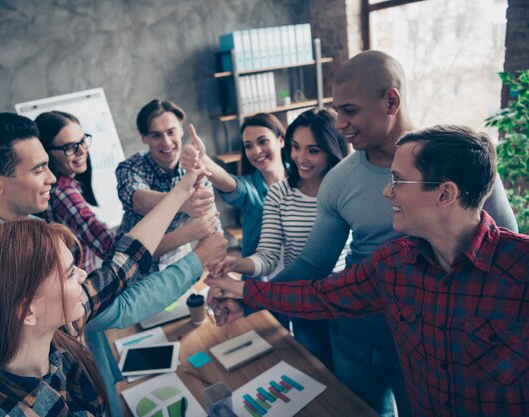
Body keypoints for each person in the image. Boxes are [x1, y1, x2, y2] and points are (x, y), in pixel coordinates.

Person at [206, 51, 519, 417]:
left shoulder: (459, 161)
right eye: (337, 110)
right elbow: (314, 268)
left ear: (391, 101)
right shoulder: (342, 183)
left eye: (349, 110)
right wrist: (249, 299)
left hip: (437, 340)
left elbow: (503, 255)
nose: (339, 124)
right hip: (359, 332)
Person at [0, 112, 227, 416]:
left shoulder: (22, 234)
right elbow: (111, 278)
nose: (52, 178)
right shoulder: (2, 264)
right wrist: (195, 250)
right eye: (39, 168)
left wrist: (183, 190)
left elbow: (115, 268)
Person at [207, 109, 349, 366]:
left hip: (348, 306)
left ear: (331, 150)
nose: (300, 158)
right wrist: (235, 264)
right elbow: (268, 256)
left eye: (313, 150)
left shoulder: (345, 191)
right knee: (318, 376)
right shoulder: (280, 193)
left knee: (354, 393)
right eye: (296, 147)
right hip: (303, 305)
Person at [116, 99, 221, 275]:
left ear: (181, 129)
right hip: (132, 274)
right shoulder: (130, 167)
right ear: (144, 138)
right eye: (156, 135)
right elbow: (139, 201)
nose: (166, 142)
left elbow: (212, 229)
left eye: (171, 132)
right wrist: (183, 203)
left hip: (177, 270)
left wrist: (219, 274)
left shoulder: (196, 167)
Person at [181, 113, 289, 262]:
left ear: (281, 140)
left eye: (262, 141)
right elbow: (229, 182)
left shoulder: (302, 177)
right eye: (248, 146)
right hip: (261, 278)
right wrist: (203, 160)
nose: (256, 151)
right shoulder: (250, 187)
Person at [35, 110, 115, 273]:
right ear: (47, 153)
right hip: (78, 289)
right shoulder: (63, 193)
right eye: (69, 147)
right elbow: (108, 245)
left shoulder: (63, 186)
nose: (82, 151)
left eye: (82, 141)